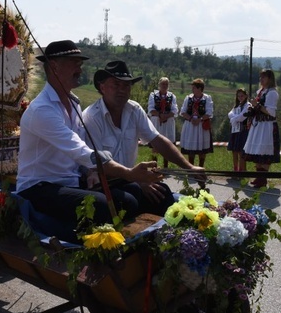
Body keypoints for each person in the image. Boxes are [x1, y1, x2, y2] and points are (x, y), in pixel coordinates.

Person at [16, 41, 163, 243]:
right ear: (55, 67)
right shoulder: (42, 110)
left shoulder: (73, 103)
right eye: (74, 63)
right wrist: (128, 173)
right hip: (39, 187)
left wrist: (91, 173)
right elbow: (81, 151)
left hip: (71, 181)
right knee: (107, 206)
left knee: (132, 195)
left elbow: (81, 155)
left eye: (80, 63)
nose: (79, 68)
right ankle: (91, 250)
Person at [83, 61, 204, 217]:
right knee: (133, 200)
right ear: (102, 87)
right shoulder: (92, 117)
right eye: (116, 84)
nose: (122, 90)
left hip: (128, 179)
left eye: (126, 86)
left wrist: (189, 167)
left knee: (162, 193)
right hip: (104, 183)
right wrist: (137, 179)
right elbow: (100, 165)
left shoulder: (134, 109)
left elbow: (157, 140)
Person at [244, 69, 280, 188]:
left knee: (265, 151)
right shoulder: (261, 91)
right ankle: (258, 177)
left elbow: (270, 112)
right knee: (258, 151)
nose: (261, 80)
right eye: (260, 78)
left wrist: (257, 105)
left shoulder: (272, 93)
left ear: (269, 79)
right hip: (259, 125)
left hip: (267, 126)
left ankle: (263, 178)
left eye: (263, 78)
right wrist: (252, 108)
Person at [179, 79, 214, 167]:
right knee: (191, 148)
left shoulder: (207, 98)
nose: (192, 89)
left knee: (202, 148)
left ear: (199, 88)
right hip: (190, 125)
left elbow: (209, 112)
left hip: (201, 126)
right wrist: (191, 119)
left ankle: (201, 168)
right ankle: (191, 168)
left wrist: (200, 119)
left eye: (194, 88)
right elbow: (183, 111)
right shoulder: (188, 98)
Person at [147, 77, 178, 168]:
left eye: (166, 84)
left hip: (168, 123)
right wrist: (160, 115)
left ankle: (165, 167)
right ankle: (154, 166)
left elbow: (175, 110)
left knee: (167, 146)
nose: (164, 86)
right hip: (156, 122)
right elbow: (151, 109)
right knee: (155, 145)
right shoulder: (153, 95)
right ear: (159, 85)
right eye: (163, 84)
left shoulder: (172, 96)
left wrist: (166, 116)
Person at [227, 88, 250, 172]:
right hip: (235, 130)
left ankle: (242, 170)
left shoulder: (248, 105)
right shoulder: (237, 106)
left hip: (243, 130)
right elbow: (229, 114)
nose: (240, 97)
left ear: (246, 96)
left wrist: (233, 119)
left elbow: (242, 116)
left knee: (241, 151)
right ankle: (235, 169)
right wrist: (234, 118)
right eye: (238, 96)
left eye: (242, 96)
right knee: (234, 151)